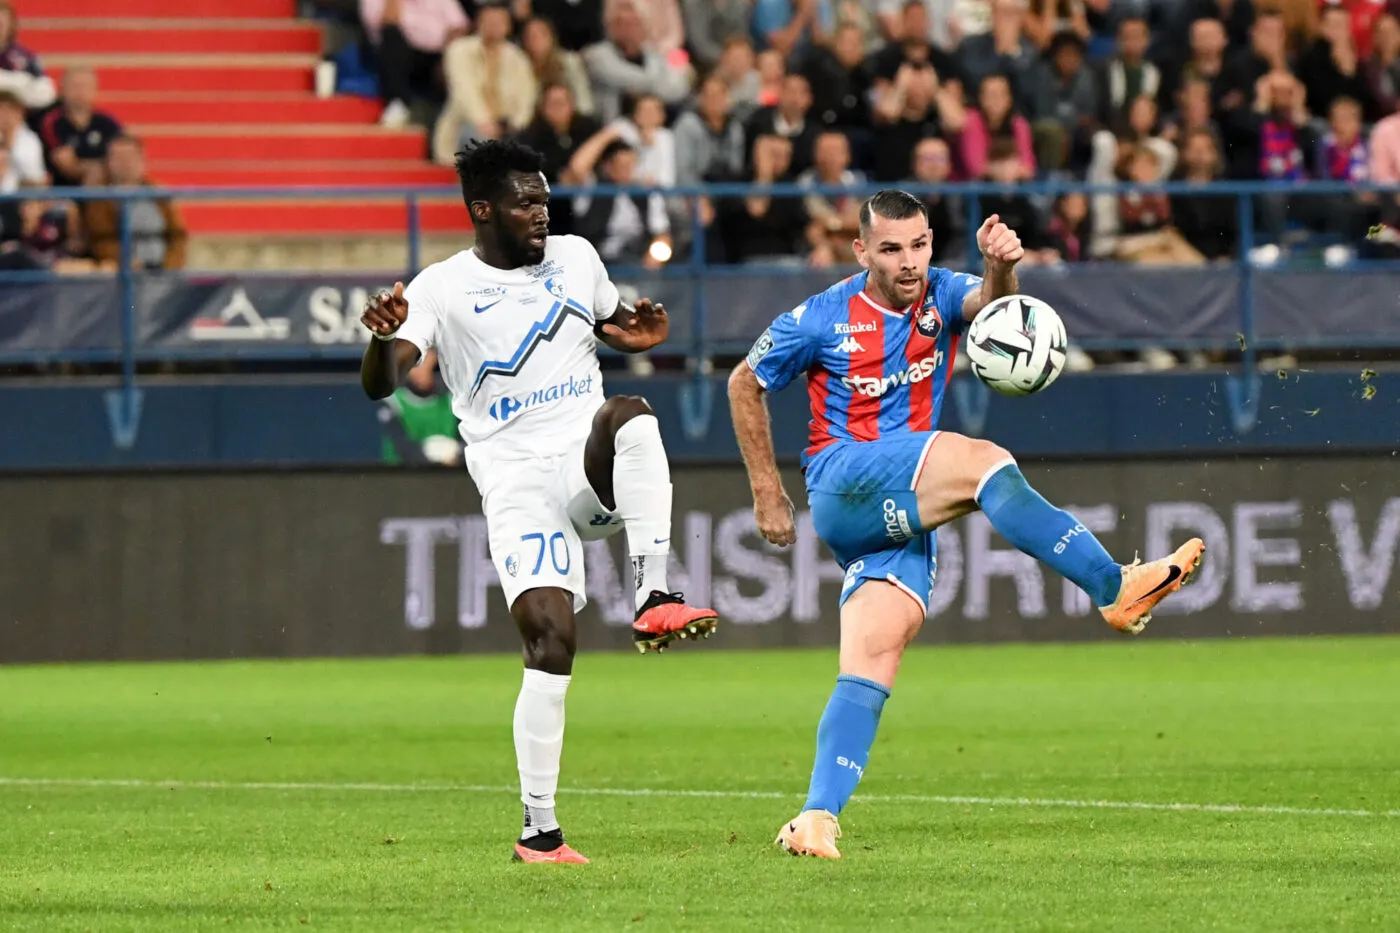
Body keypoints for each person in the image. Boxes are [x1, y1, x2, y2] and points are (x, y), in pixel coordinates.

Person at [726, 189, 1207, 860]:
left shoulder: (944, 294)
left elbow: (991, 307)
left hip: (896, 503)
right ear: (861, 249)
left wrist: (1001, 266)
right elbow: (744, 382)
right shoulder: (820, 318)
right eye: (890, 248)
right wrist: (766, 490)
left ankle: (815, 816)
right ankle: (1112, 585)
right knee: (986, 463)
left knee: (874, 655)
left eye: (918, 245)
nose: (908, 261)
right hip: (844, 476)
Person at [358, 139, 718, 865]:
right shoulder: (440, 288)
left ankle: (654, 592)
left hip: (582, 464)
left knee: (633, 413)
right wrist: (384, 337)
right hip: (516, 483)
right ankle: (539, 830)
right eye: (526, 201)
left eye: (545, 199)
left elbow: (620, 320)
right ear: (483, 209)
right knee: (549, 641)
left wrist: (639, 330)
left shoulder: (577, 258)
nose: (542, 213)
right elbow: (380, 383)